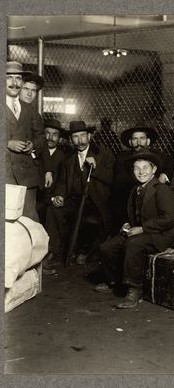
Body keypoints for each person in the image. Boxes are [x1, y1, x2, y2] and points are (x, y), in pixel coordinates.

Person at [96, 151, 174, 309]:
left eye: (145, 167)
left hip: (162, 234)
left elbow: (168, 219)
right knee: (106, 247)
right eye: (136, 168)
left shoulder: (161, 189)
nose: (141, 172)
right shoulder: (135, 190)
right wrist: (127, 224)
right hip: (142, 232)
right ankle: (114, 281)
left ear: (154, 169)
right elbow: (135, 214)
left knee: (133, 244)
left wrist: (142, 228)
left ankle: (136, 288)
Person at [44, 120, 115, 271]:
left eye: (83, 136)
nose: (80, 140)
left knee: (88, 218)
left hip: (95, 201)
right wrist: (60, 195)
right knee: (53, 211)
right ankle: (54, 250)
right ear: (70, 139)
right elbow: (62, 181)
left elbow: (110, 178)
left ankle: (84, 251)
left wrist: (94, 169)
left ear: (89, 136)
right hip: (74, 200)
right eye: (75, 137)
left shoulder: (103, 153)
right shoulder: (68, 158)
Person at [111, 126, 174, 234]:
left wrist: (163, 175)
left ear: (148, 141)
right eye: (135, 139)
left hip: (152, 200)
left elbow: (170, 168)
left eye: (142, 138)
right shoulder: (122, 158)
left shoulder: (160, 155)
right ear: (130, 142)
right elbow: (120, 182)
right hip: (130, 196)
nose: (138, 142)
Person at [6, 61, 45, 222]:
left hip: (26, 177)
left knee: (29, 223)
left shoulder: (28, 108)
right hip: (5, 174)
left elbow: (41, 136)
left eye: (18, 78)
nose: (14, 83)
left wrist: (33, 145)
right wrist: (7, 143)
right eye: (9, 78)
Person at [37, 118, 67, 223]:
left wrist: (58, 196)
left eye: (55, 134)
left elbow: (62, 180)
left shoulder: (63, 157)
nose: (50, 138)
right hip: (36, 198)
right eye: (47, 133)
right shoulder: (36, 153)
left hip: (51, 199)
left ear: (59, 138)